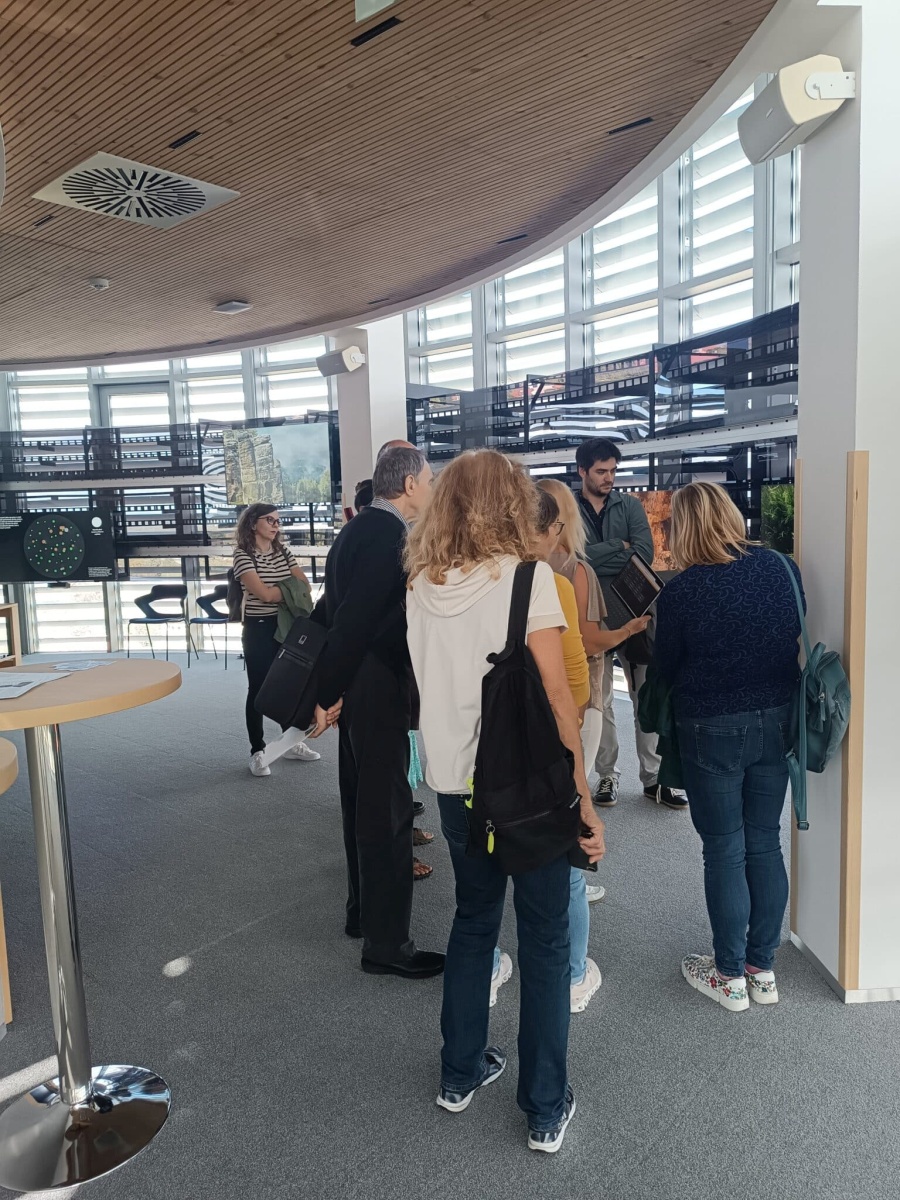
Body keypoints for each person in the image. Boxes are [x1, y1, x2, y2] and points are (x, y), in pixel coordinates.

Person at [406, 449, 605, 1153]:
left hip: (454, 785)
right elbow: (559, 701)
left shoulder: (421, 585)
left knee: (473, 922)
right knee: (546, 941)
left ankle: (458, 1074)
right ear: (512, 504)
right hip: (527, 788)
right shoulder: (531, 580)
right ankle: (545, 1108)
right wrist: (584, 800)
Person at [652, 482, 803, 1012]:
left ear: (685, 528)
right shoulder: (782, 569)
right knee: (765, 842)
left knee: (723, 849)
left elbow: (664, 667)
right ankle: (763, 970)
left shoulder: (682, 591)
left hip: (711, 727)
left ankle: (729, 975)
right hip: (778, 720)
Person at [308, 447, 444, 979]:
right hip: (376, 684)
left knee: (361, 805)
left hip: (361, 684)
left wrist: (335, 687)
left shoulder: (357, 529)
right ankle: (387, 945)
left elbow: (334, 612)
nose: (431, 490)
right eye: (428, 481)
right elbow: (354, 622)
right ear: (408, 485)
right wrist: (330, 690)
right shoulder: (388, 536)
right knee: (387, 812)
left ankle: (362, 915)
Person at [575, 437, 687, 811]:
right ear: (582, 471)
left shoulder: (630, 506)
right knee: (600, 698)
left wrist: (599, 557)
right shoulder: (569, 510)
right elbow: (572, 558)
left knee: (644, 695)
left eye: (612, 471)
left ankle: (654, 778)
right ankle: (608, 774)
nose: (609, 478)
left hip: (637, 612)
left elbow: (644, 553)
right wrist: (617, 547)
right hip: (590, 614)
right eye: (601, 471)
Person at [532, 488, 603, 1015]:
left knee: (482, 877)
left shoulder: (449, 579)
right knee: (568, 864)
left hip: (476, 751)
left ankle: (486, 969)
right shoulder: (551, 582)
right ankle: (574, 975)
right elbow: (571, 679)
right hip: (545, 741)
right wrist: (572, 732)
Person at [232, 503, 321, 777]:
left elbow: (304, 586)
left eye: (277, 521)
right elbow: (264, 595)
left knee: (290, 684)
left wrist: (283, 590)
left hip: (288, 626)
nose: (275, 525)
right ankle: (257, 751)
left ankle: (289, 743)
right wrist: (290, 590)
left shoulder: (283, 551)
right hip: (259, 627)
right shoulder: (243, 555)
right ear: (253, 523)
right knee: (258, 688)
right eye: (269, 520)